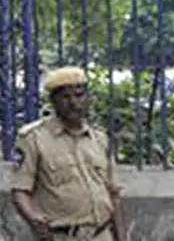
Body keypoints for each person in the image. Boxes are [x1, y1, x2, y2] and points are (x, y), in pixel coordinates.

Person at [10, 66, 123, 241]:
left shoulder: (100, 139)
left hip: (102, 235)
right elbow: (20, 191)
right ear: (53, 101)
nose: (73, 103)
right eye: (65, 97)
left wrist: (121, 237)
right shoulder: (34, 138)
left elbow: (113, 195)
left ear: (88, 98)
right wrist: (32, 217)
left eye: (79, 95)